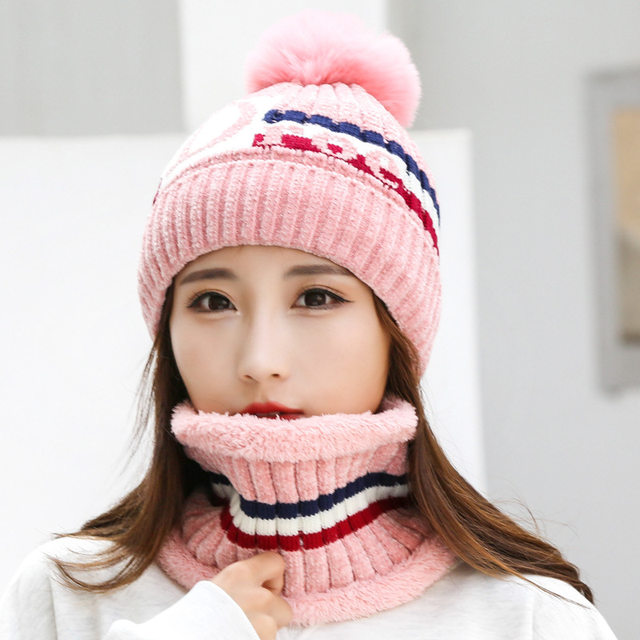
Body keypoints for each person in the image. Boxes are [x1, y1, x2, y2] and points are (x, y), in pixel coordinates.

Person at [0, 10, 617, 640]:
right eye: (212, 301)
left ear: (396, 329)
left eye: (317, 297)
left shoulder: (527, 617)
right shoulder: (66, 595)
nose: (260, 360)